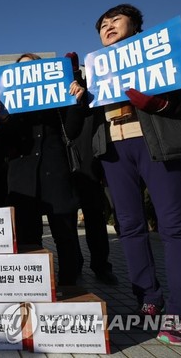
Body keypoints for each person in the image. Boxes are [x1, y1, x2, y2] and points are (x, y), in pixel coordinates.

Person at [91, 4, 181, 346]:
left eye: (115, 19)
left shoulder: (167, 49)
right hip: (114, 150)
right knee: (129, 228)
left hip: (157, 143)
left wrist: (163, 105)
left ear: (136, 25)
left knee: (173, 226)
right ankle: (148, 299)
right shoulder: (96, 68)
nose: (107, 26)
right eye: (102, 24)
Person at [0, 53, 86, 286]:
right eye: (21, 69)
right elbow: (2, 145)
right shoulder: (6, 105)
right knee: (26, 236)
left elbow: (73, 130)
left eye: (33, 67)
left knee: (65, 234)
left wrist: (77, 100)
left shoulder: (60, 97)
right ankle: (34, 285)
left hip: (56, 172)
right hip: (22, 177)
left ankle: (70, 282)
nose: (28, 73)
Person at [65, 52, 119, 286]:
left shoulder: (87, 92)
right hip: (60, 163)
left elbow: (89, 106)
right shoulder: (46, 96)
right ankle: (74, 264)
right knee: (65, 220)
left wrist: (77, 79)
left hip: (87, 161)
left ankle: (100, 265)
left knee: (94, 218)